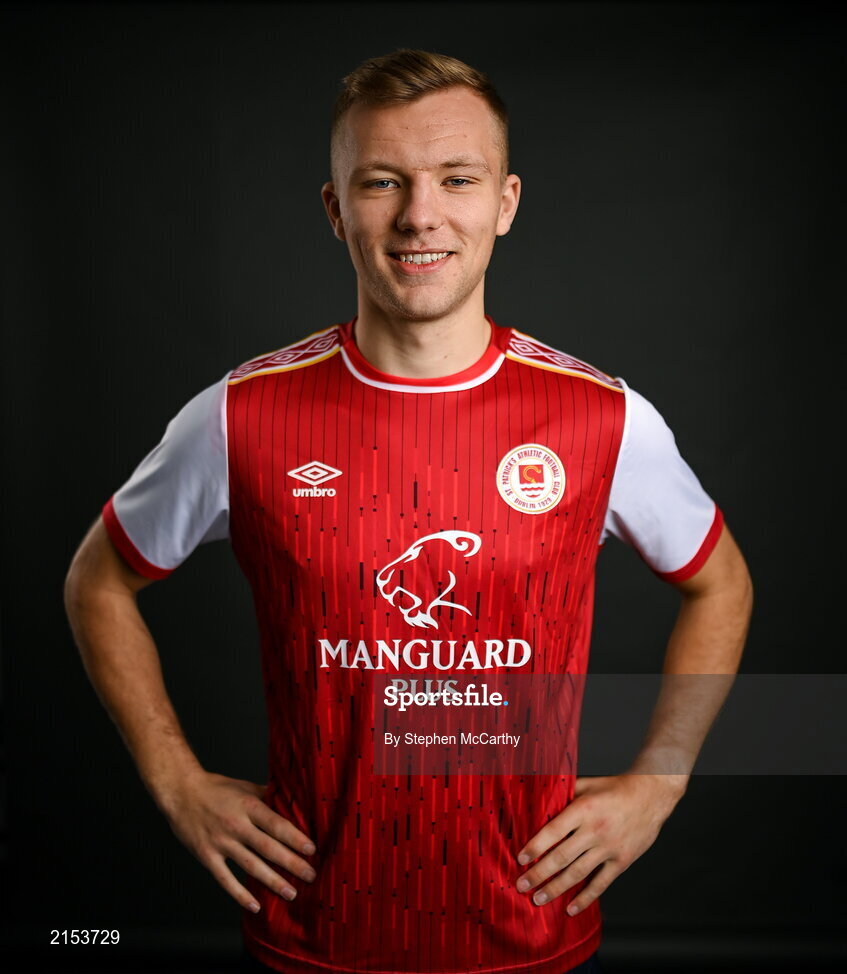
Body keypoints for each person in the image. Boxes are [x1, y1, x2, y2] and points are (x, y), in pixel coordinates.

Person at [64, 49, 753, 974]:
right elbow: (95, 582)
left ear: (503, 203)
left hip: (528, 933)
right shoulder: (239, 415)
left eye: (455, 179)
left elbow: (722, 584)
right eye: (382, 182)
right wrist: (177, 783)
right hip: (313, 932)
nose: (419, 216)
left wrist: (658, 783)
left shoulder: (602, 418)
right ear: (334, 208)